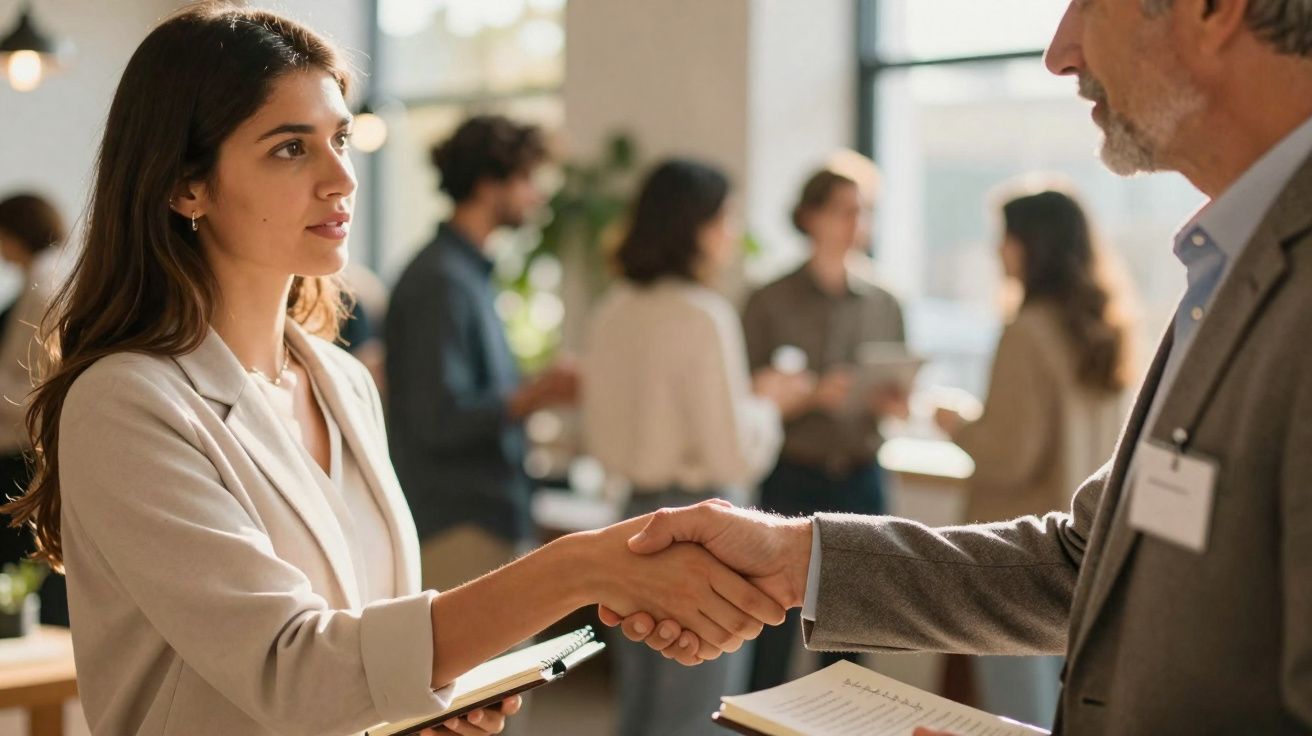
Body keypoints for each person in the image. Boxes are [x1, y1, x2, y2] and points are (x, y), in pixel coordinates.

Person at [0, 7, 784, 735]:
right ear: (186, 185)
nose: (340, 179)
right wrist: (580, 567)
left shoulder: (339, 385)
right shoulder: (126, 403)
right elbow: (293, 669)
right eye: (289, 147)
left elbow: (369, 643)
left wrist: (425, 705)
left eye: (339, 139)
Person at [606, 0, 1312, 731]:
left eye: (1089, 4)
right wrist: (797, 558)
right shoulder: (1225, 263)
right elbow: (1083, 562)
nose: (1060, 51)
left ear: (1211, 10)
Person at [582, 159, 813, 736]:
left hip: (628, 515)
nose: (732, 232)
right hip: (701, 522)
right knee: (693, 703)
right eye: (725, 217)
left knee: (639, 699)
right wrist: (769, 404)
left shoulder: (612, 309)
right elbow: (731, 454)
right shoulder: (702, 315)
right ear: (696, 225)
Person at [932, 188, 1131, 728]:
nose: (998, 253)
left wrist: (956, 424)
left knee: (1016, 714)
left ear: (1030, 246)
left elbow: (1008, 454)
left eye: (1006, 239)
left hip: (1018, 554)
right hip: (1085, 551)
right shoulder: (1103, 331)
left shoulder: (1028, 331)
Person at [385, 115, 577, 595]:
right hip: (458, 522)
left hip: (480, 516)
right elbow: (439, 418)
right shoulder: (441, 281)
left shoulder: (464, 274)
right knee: (491, 673)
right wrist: (535, 395)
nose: (537, 196)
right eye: (527, 180)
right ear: (491, 185)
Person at [740, 158, 908, 691]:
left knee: (852, 636)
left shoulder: (887, 302)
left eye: (867, 212)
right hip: (791, 477)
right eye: (846, 211)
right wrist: (811, 394)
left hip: (861, 478)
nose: (858, 223)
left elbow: (897, 385)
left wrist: (891, 400)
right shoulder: (768, 301)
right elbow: (743, 402)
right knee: (768, 628)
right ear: (811, 216)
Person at [0, 193, 70, 626]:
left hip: (26, 449)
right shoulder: (59, 272)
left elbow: (32, 378)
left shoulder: (45, 280)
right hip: (33, 442)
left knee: (27, 565)